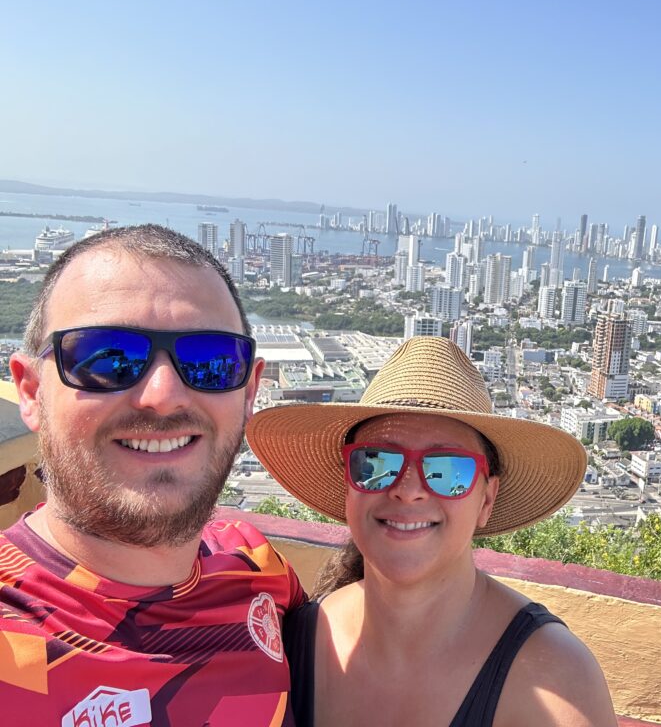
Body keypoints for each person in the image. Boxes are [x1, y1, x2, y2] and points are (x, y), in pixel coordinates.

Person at [2, 225, 305, 725]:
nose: (163, 395)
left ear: (249, 392)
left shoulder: (257, 567)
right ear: (32, 392)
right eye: (107, 359)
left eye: (209, 362)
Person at [247, 336, 618, 727]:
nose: (408, 490)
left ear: (486, 500)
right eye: (376, 462)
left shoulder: (554, 682)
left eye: (448, 471)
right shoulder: (292, 641)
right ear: (348, 483)